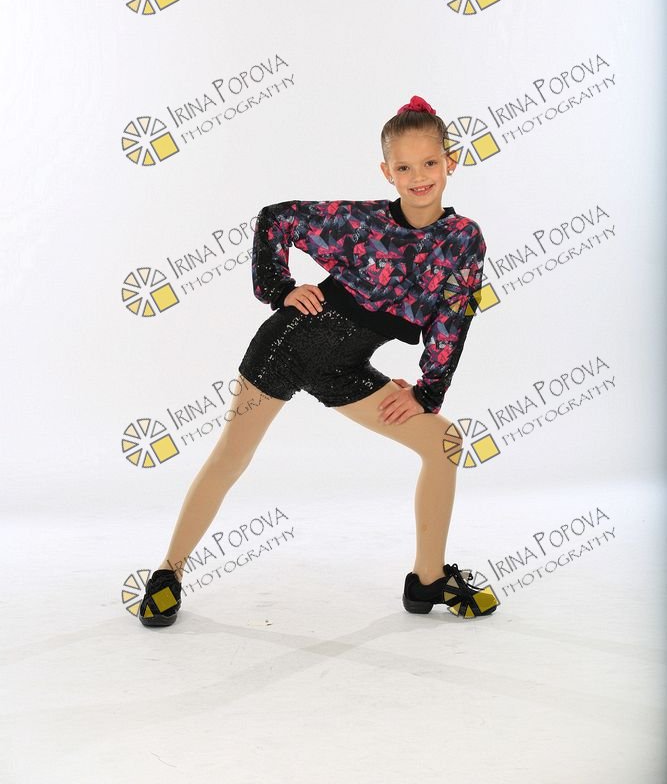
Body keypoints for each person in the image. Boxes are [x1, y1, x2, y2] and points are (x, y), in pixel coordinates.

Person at [138, 95, 499, 627]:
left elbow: (453, 318)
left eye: (429, 163)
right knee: (231, 458)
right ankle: (168, 572)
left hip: (345, 369)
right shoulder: (360, 221)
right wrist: (280, 288)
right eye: (404, 167)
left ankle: (427, 580)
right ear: (387, 173)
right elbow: (277, 218)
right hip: (287, 346)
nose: (419, 177)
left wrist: (427, 391)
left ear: (450, 161)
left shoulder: (463, 239)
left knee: (443, 442)